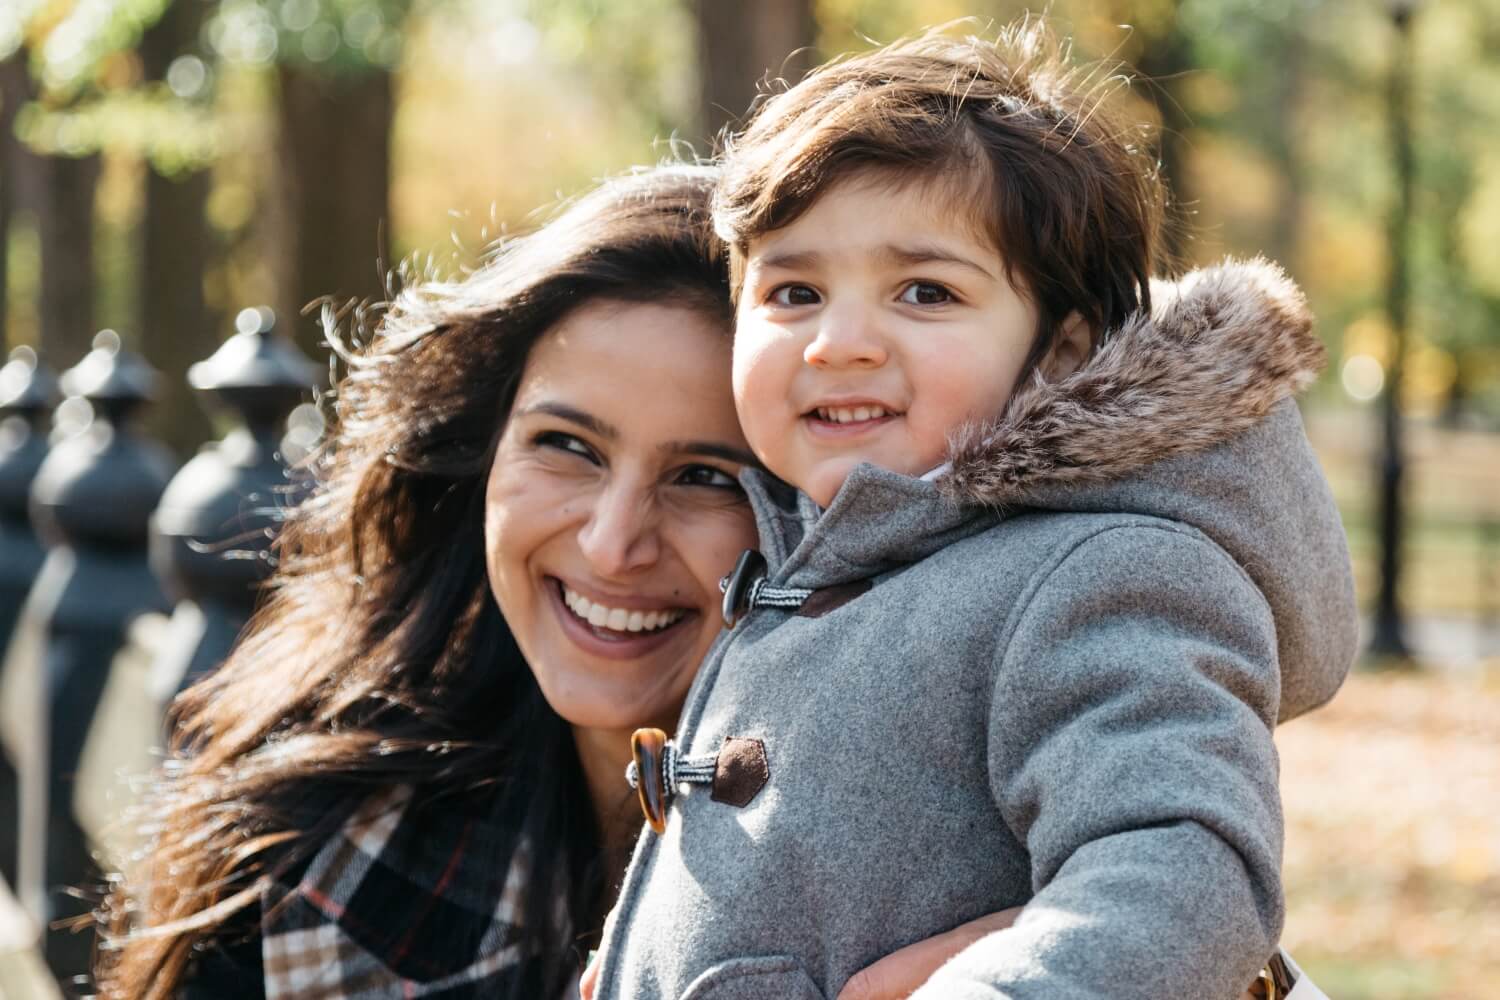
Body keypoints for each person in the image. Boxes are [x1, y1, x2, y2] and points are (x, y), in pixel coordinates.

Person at [95, 164, 1030, 1000]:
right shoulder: (302, 864)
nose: (613, 543)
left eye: (706, 476)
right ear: (484, 451)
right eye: (566, 447)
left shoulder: (999, 897)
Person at [590, 22, 1357, 1000]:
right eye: (793, 289)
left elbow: (1182, 868)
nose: (839, 341)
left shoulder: (1102, 570)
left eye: (924, 290)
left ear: (1065, 351)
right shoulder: (818, 571)